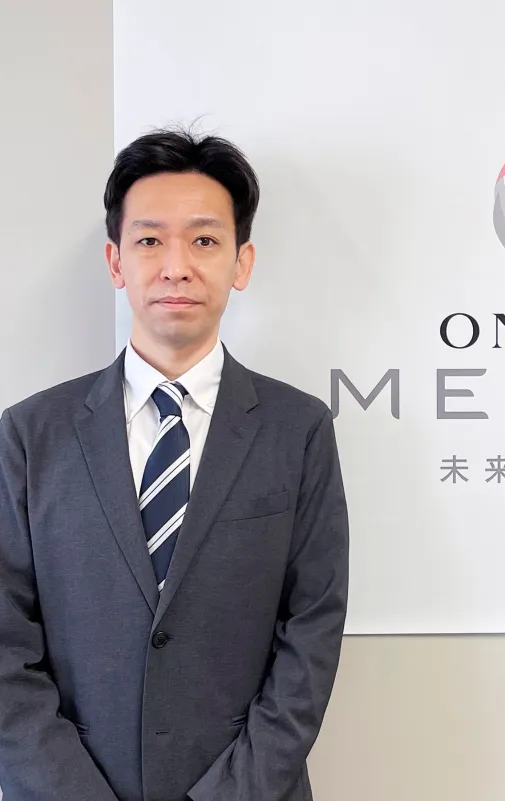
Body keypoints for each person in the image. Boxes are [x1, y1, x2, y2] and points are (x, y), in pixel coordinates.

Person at [0, 127, 350, 801]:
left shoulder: (298, 429)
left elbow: (311, 631)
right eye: (150, 240)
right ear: (115, 260)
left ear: (242, 263)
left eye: (205, 240)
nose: (176, 266)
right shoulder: (29, 434)